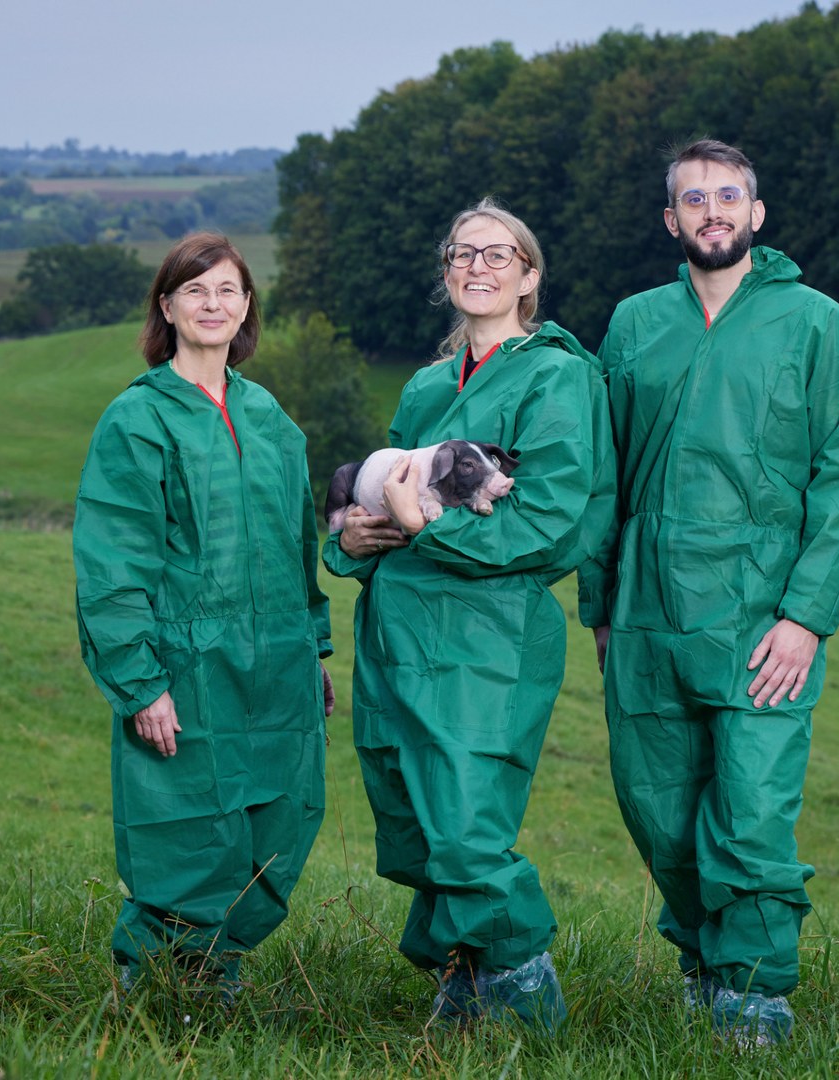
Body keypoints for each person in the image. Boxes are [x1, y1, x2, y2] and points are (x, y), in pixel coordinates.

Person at [582, 139, 839, 1048]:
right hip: (646, 615)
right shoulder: (634, 324)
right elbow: (605, 474)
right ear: (671, 221)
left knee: (750, 811)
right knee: (658, 808)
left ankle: (753, 993)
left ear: (757, 214)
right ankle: (702, 962)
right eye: (692, 198)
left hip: (762, 622)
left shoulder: (818, 325)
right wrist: (601, 606)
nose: (712, 210)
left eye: (729, 196)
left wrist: (807, 618)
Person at [323, 199, 615, 1033]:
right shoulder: (425, 386)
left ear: (529, 275)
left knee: (464, 827)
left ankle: (526, 998)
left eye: (498, 254)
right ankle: (466, 985)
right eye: (462, 253)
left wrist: (427, 529)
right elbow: (373, 500)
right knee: (415, 828)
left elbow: (553, 519)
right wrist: (359, 535)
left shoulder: (557, 374)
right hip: (395, 638)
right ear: (447, 272)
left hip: (486, 642)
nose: (477, 267)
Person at [73, 232, 335, 998]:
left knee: (274, 827)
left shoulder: (270, 418)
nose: (212, 304)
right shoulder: (138, 419)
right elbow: (113, 565)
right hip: (185, 670)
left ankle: (215, 974)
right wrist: (139, 681)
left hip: (278, 663)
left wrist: (314, 649)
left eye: (227, 290)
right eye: (195, 290)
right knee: (188, 833)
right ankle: (155, 993)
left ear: (247, 305)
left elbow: (298, 544)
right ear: (168, 307)